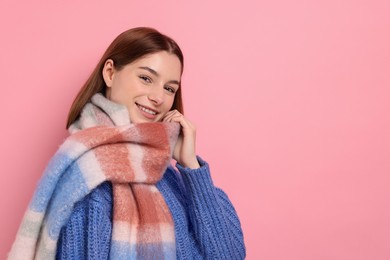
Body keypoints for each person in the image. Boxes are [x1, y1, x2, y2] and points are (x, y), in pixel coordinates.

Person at [9, 27, 245, 260]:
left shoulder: (168, 174)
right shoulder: (87, 178)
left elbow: (231, 255)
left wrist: (191, 167)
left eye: (169, 88)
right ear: (110, 73)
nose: (158, 97)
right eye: (145, 78)